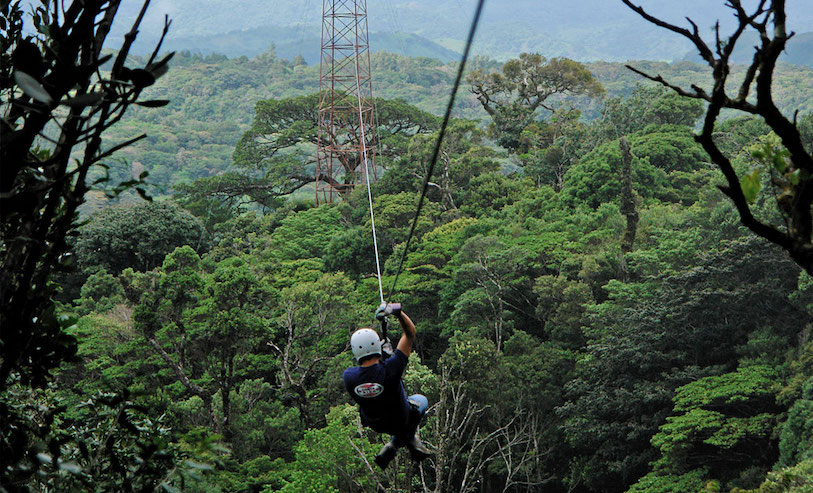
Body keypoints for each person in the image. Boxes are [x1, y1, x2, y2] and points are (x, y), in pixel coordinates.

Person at [342, 303, 432, 469]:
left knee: (393, 409)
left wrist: (384, 357)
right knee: (421, 400)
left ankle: (397, 444)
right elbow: (410, 333)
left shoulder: (349, 377)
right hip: (400, 419)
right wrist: (397, 312)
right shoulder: (391, 368)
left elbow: (370, 374)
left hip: (375, 423)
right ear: (377, 345)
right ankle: (399, 442)